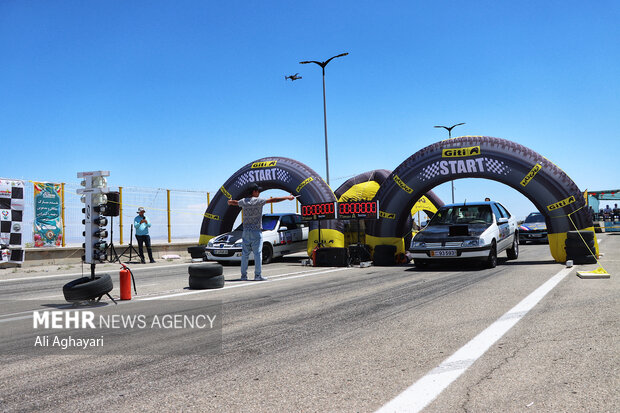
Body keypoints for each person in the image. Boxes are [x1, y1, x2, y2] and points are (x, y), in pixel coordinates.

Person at [227, 184, 295, 281]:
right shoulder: (259, 201)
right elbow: (274, 200)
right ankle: (257, 276)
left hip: (245, 231)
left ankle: (243, 276)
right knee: (258, 253)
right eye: (257, 191)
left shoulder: (243, 201)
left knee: (245, 254)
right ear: (254, 192)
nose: (259, 193)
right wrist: (287, 197)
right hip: (256, 231)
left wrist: (229, 202)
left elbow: (235, 202)